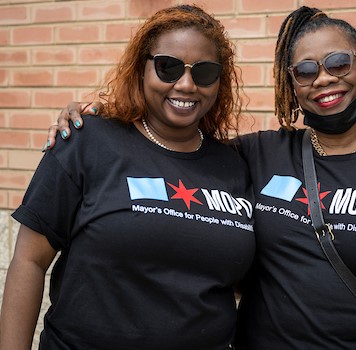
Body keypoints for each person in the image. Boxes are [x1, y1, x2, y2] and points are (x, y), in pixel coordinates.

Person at [40, 6, 356, 350]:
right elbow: (176, 147)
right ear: (292, 85)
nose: (324, 78)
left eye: (339, 62)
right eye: (305, 70)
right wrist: (104, 108)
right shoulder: (259, 153)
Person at [0, 5, 256, 350]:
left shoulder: (235, 166)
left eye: (205, 72)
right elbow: (29, 260)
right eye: (168, 67)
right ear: (142, 69)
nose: (185, 84)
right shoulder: (87, 141)